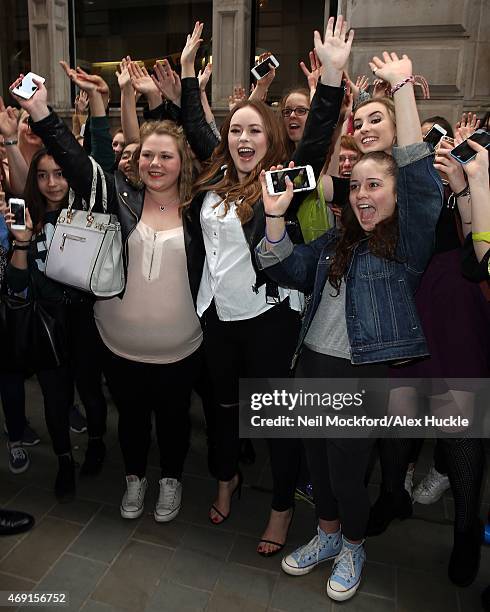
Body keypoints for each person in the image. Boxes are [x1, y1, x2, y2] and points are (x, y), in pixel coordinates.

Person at [256, 50, 443, 602]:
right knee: (318, 465)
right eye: (356, 187)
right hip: (310, 364)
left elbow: (416, 175)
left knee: (345, 471)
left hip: (361, 374)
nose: (363, 196)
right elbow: (283, 266)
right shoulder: (337, 242)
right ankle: (328, 536)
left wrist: (401, 88)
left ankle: (354, 546)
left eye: (375, 187)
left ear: (394, 194)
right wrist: (273, 216)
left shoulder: (406, 246)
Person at [178, 17, 350, 556]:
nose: (243, 138)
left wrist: (332, 81)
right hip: (216, 317)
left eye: (255, 130)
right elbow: (194, 123)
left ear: (271, 138)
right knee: (223, 410)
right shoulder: (214, 174)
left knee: (275, 419)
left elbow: (318, 139)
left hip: (269, 319)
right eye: (236, 130)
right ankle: (225, 479)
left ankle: (279, 509)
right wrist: (187, 75)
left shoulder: (282, 181)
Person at [11, 73, 203, 524]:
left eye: (166, 156)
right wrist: (41, 112)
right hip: (117, 345)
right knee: (132, 422)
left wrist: (185, 91)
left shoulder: (202, 206)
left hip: (182, 348)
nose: (155, 163)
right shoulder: (117, 197)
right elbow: (77, 163)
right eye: (148, 154)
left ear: (183, 162)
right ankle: (135, 477)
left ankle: (170, 480)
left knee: (174, 423)